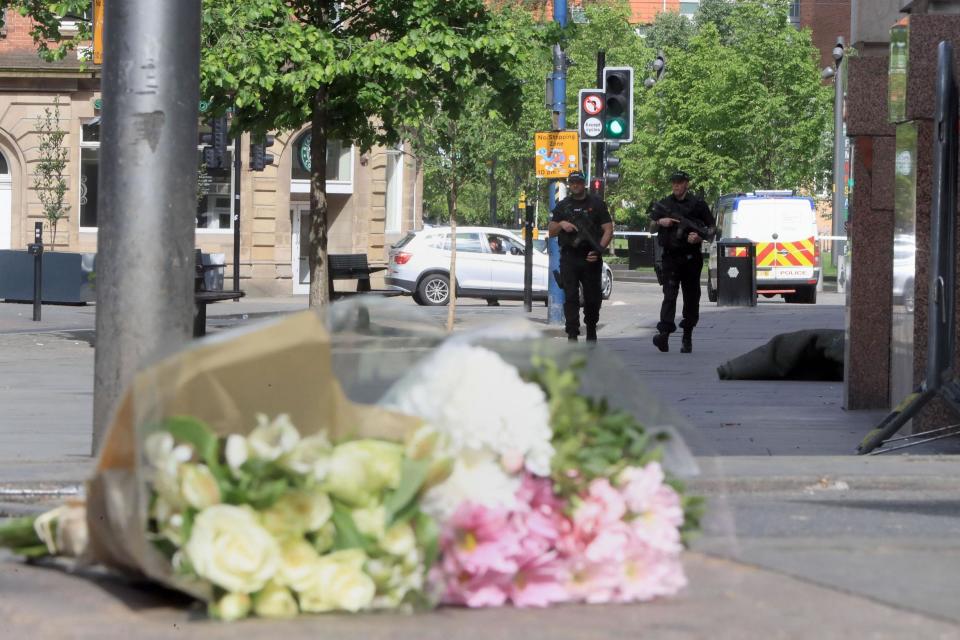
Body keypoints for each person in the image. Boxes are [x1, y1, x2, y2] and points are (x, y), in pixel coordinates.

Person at [650, 171, 715, 354]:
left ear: (687, 184)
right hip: (670, 257)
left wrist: (699, 237)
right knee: (669, 295)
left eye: (679, 182)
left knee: (691, 298)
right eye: (674, 182)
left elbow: (711, 229)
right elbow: (651, 226)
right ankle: (664, 334)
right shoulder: (665, 203)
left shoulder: (698, 205)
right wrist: (660, 222)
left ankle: (687, 336)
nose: (676, 186)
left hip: (691, 258)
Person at [548, 170, 614, 342]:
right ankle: (572, 333)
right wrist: (562, 224)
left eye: (578, 182)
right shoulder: (563, 206)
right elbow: (551, 230)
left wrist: (599, 250)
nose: (575, 185)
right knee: (570, 296)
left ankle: (591, 328)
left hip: (591, 256)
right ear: (569, 184)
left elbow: (608, 229)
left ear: (583, 183)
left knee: (593, 297)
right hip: (570, 256)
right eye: (572, 182)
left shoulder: (597, 203)